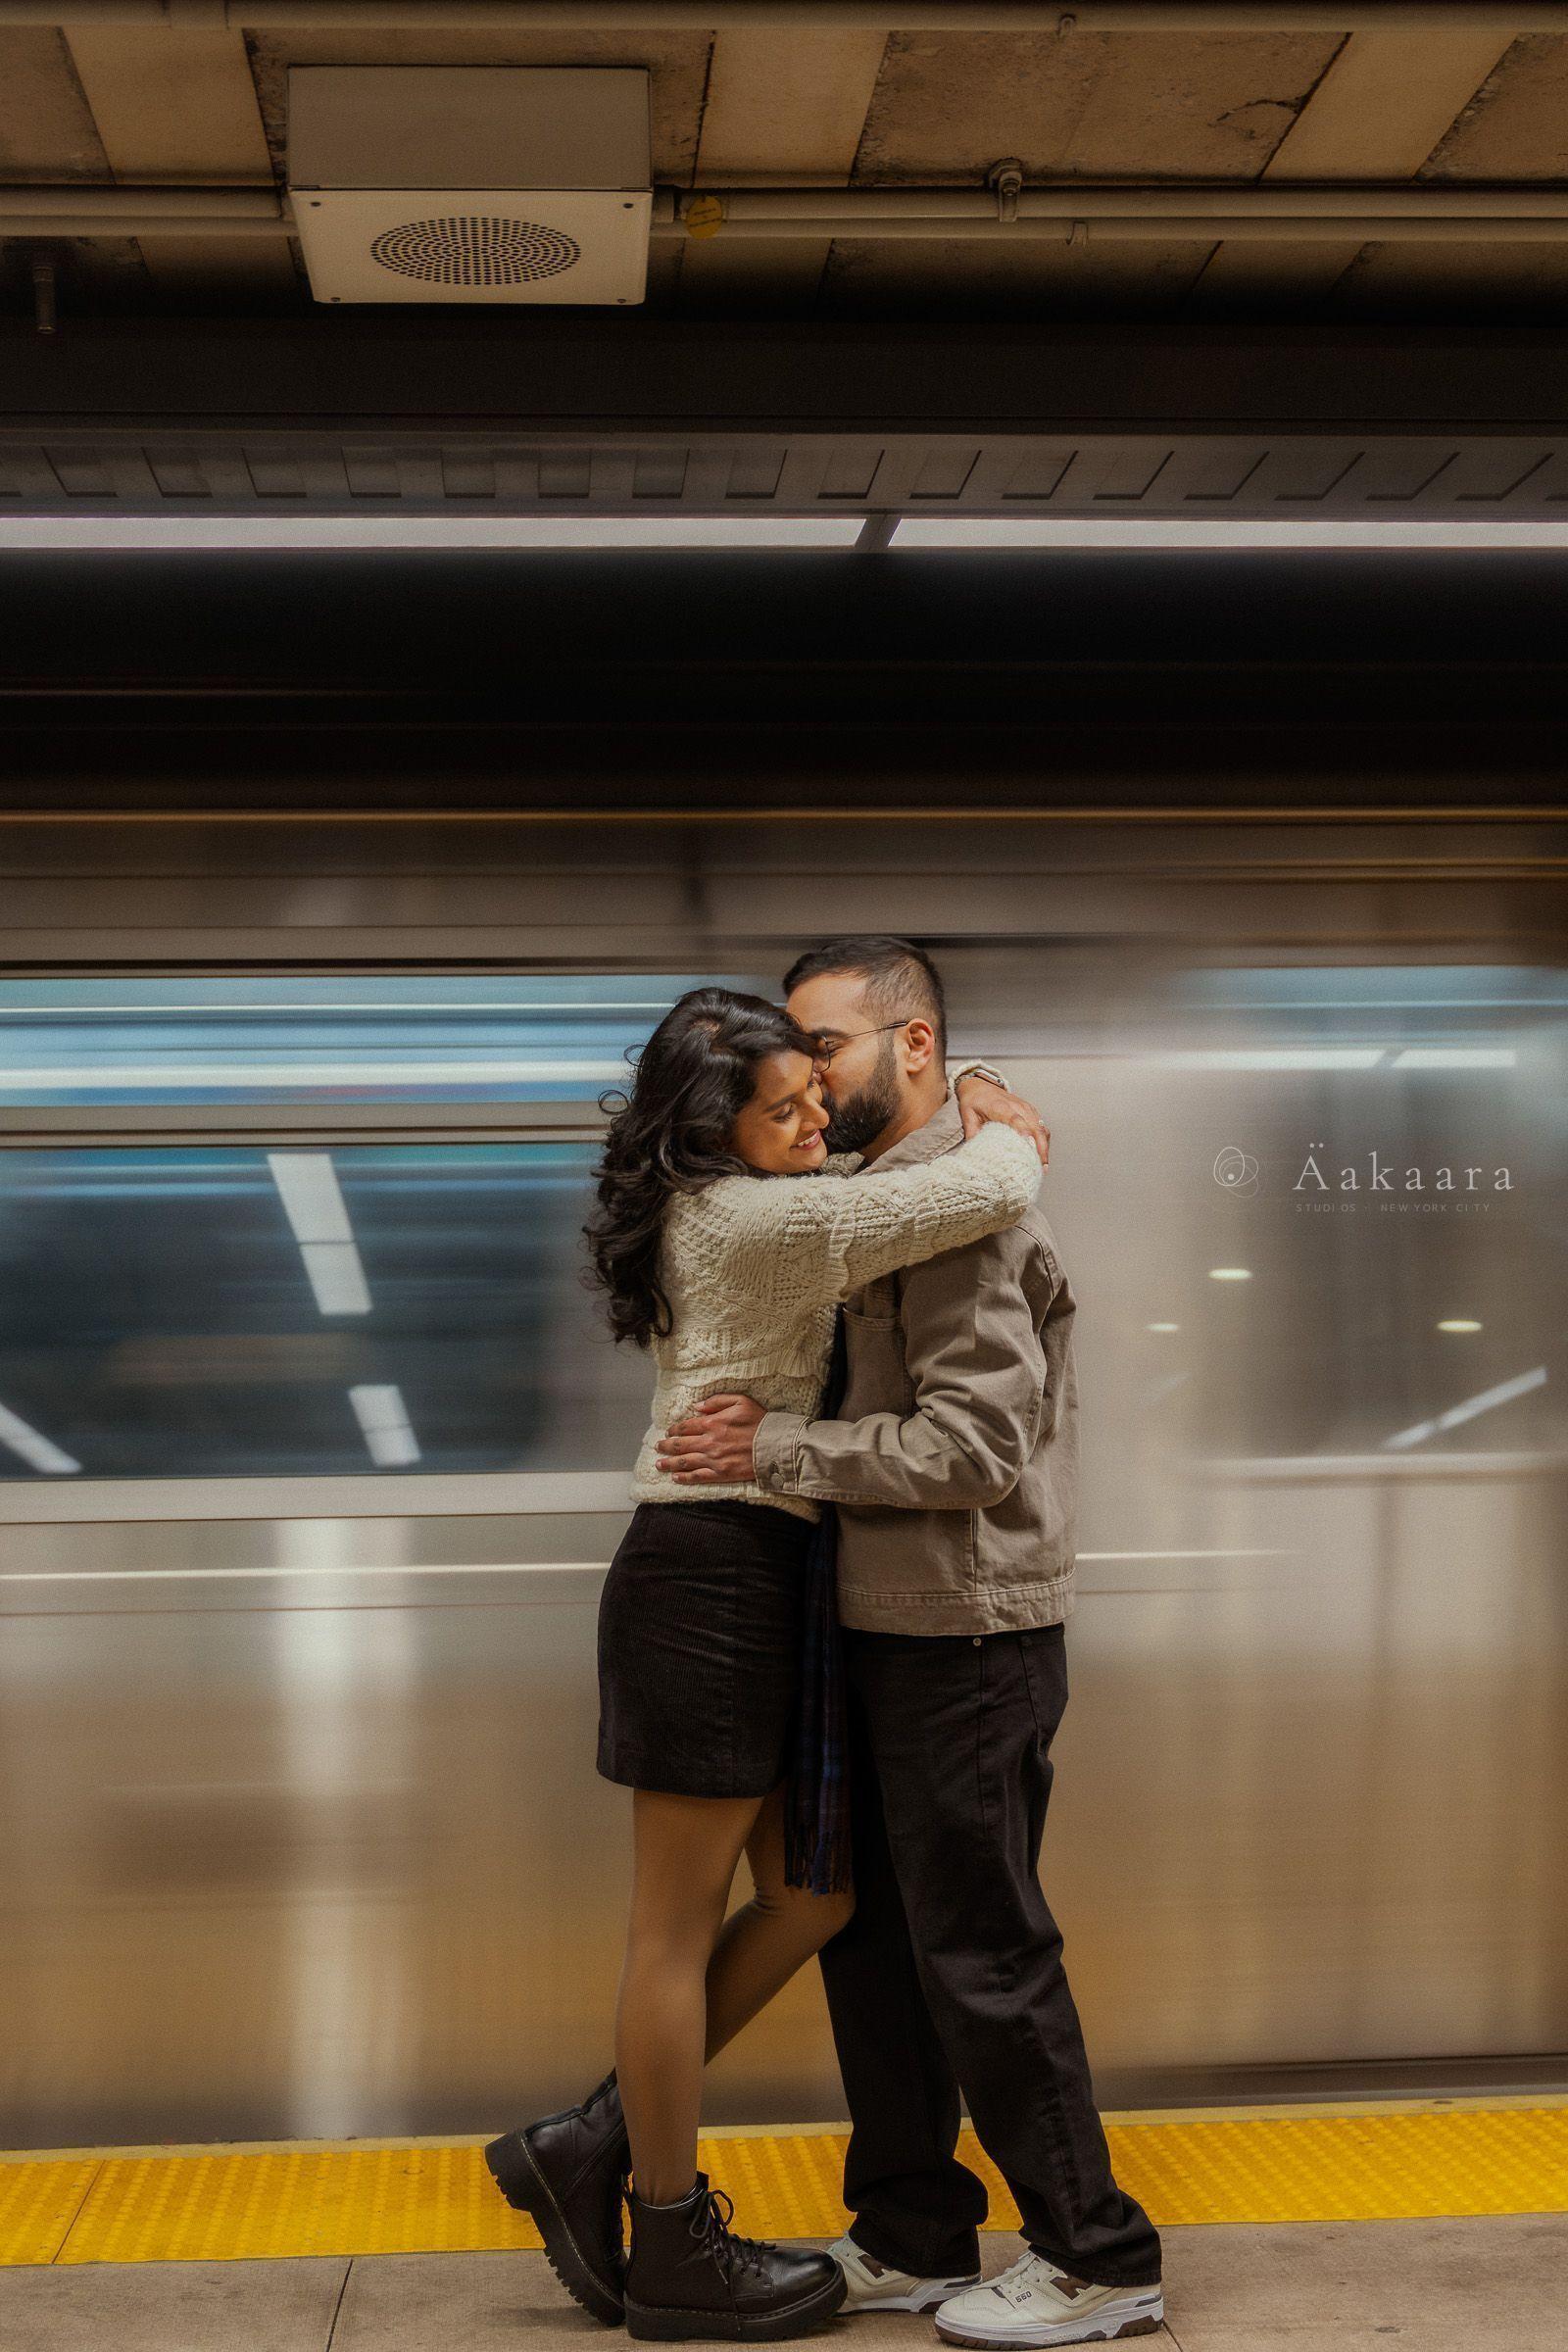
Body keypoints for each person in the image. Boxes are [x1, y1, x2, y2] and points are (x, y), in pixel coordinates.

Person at [486, 984, 1047, 2342]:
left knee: (813, 1894)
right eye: (784, 1109)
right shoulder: (755, 1217)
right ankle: (670, 2243)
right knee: (671, 1933)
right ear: (711, 1125)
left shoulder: (735, 1205)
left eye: (816, 1098)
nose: (815, 1126)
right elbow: (976, 1190)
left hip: (764, 1569)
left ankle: (595, 2140)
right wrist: (998, 1104)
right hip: (709, 1577)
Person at [656, 939, 1165, 2352]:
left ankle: (1098, 2258)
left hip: (968, 1633)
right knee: (875, 1945)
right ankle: (912, 2230)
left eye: (828, 1044)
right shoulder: (877, 1197)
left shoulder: (964, 1215)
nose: (806, 1076)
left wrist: (779, 1447)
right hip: (881, 1626)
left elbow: (976, 1446)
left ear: (918, 1046)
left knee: (984, 1951)